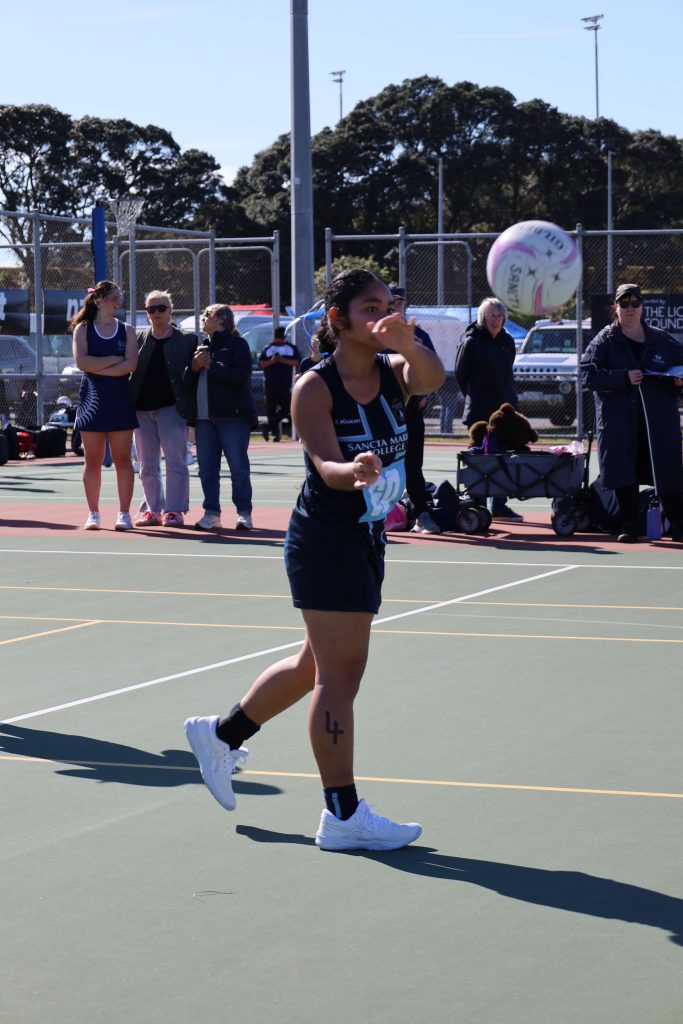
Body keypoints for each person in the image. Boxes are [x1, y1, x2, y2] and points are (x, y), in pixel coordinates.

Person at [184, 269, 445, 851]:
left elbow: (432, 376)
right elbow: (325, 466)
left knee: (312, 666)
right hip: (326, 540)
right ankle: (342, 814)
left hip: (366, 537)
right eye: (369, 307)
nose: (383, 314)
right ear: (337, 319)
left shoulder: (394, 369)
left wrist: (409, 343)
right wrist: (354, 471)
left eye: (388, 304)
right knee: (339, 677)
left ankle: (221, 735)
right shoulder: (314, 387)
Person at [581, 283, 683, 543]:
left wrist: (678, 382)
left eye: (635, 303)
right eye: (624, 304)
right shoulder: (605, 340)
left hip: (658, 421)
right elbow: (588, 375)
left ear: (642, 307)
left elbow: (679, 369)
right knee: (623, 471)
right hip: (619, 421)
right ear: (615, 307)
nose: (630, 309)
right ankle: (629, 524)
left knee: (667, 470)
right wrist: (623, 378)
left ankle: (678, 523)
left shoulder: (661, 339)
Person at [70, 280, 138, 530]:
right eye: (113, 298)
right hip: (91, 402)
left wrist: (99, 367)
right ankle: (94, 513)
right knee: (92, 460)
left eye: (119, 297)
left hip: (119, 400)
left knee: (123, 459)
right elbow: (82, 363)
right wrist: (112, 359)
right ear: (99, 300)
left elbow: (131, 365)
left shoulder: (127, 330)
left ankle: (124, 514)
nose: (118, 302)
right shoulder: (83, 329)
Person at [183, 303, 256, 531]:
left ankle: (243, 513)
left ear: (222, 319)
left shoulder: (237, 344)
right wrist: (194, 367)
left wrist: (212, 366)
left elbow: (241, 377)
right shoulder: (200, 346)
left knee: (238, 468)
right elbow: (186, 383)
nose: (203, 317)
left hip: (233, 418)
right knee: (206, 470)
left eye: (208, 314)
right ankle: (211, 513)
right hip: (204, 420)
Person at [128, 290, 196, 527]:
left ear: (170, 311)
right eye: (151, 309)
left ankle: (175, 511)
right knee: (147, 465)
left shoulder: (187, 340)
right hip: (141, 411)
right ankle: (152, 510)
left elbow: (194, 375)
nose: (156, 313)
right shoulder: (137, 338)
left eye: (161, 308)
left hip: (172, 409)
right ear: (147, 313)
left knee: (176, 462)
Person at [455, 297, 521, 520]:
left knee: (504, 457)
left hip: (505, 412)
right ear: (483, 317)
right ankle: (478, 504)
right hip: (479, 411)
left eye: (499, 315)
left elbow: (507, 371)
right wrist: (476, 395)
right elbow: (461, 374)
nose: (495, 319)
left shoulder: (507, 341)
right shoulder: (471, 341)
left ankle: (499, 505)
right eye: (491, 315)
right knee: (480, 458)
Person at [389, 286, 440, 533]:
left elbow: (431, 372)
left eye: (399, 303)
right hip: (382, 412)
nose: (396, 308)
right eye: (391, 303)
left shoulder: (419, 334)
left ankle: (421, 513)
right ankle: (379, 515)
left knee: (413, 465)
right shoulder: (375, 336)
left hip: (410, 412)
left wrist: (421, 393)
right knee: (381, 464)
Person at [258, 326, 301, 441]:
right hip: (270, 384)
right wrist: (272, 361)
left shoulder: (290, 348)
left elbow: (297, 362)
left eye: (280, 338)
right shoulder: (268, 348)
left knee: (287, 408)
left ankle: (267, 426)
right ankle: (275, 434)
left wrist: (282, 360)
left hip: (285, 384)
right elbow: (261, 364)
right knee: (271, 410)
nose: (279, 340)